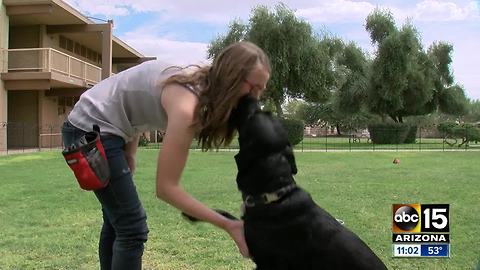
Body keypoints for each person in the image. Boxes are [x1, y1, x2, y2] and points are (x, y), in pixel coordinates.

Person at [61, 41, 271, 270]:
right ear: (231, 78)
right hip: (90, 129)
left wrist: (130, 151)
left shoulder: (202, 84)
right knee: (132, 228)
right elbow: (166, 189)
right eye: (252, 89)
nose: (255, 100)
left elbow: (133, 97)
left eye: (261, 91)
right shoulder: (187, 105)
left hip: (109, 129)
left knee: (117, 222)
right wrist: (229, 225)